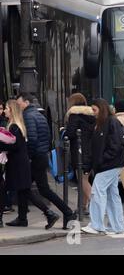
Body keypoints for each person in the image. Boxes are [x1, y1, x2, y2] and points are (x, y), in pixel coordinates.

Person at [16, 93, 77, 229]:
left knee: (39, 189)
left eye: (19, 103)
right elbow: (47, 136)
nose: (18, 106)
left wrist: (29, 156)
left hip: (35, 157)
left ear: (26, 102)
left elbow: (31, 138)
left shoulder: (28, 116)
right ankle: (22, 218)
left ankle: (64, 212)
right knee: (24, 187)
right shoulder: (39, 115)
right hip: (41, 155)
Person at [0, 100, 59, 228]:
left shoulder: (14, 126)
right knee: (23, 192)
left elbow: (14, 146)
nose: (4, 110)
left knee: (15, 190)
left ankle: (49, 214)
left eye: (6, 108)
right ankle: (23, 219)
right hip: (20, 164)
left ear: (12, 111)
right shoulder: (17, 125)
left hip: (17, 165)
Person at [81, 98, 124, 235]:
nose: (93, 113)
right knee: (112, 195)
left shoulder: (109, 122)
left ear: (101, 109)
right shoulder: (106, 122)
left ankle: (97, 225)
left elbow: (114, 146)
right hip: (112, 163)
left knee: (97, 191)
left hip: (109, 164)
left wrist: (99, 161)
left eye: (94, 110)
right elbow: (114, 145)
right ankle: (117, 226)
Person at [65, 93, 96, 216]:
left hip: (80, 152)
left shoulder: (74, 115)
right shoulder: (92, 116)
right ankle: (83, 207)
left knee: (82, 180)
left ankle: (97, 204)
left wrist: (64, 131)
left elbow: (70, 133)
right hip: (91, 151)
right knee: (84, 179)